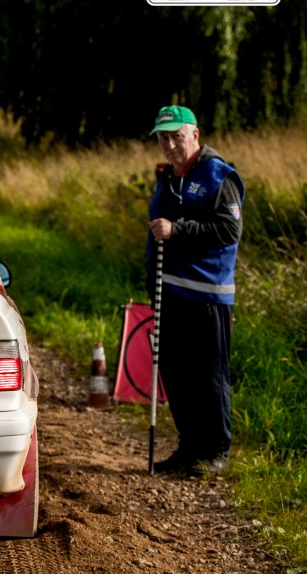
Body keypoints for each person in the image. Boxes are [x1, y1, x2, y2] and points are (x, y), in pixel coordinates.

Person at [146, 105, 245, 476]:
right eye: (162, 137)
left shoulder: (220, 176)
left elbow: (228, 232)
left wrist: (179, 230)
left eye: (176, 136)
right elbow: (156, 235)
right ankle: (189, 449)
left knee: (209, 378)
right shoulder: (168, 178)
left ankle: (216, 452)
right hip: (170, 293)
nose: (169, 144)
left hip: (208, 296)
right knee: (177, 375)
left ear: (195, 135)